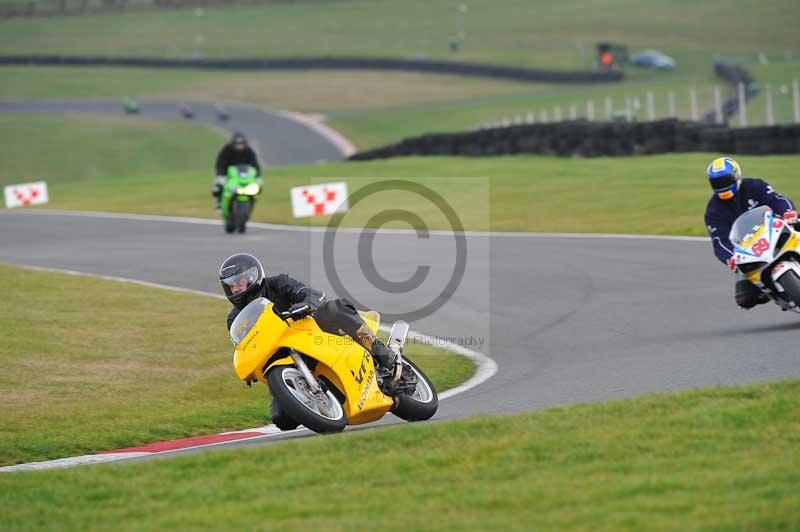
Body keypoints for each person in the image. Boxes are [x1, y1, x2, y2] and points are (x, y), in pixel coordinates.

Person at [219, 253, 402, 392]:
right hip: (283, 352)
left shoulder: (279, 283)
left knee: (334, 309)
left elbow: (308, 293)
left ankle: (384, 354)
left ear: (252, 277)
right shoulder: (234, 319)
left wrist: (305, 305)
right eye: (231, 285)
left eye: (239, 283)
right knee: (281, 418)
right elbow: (244, 345)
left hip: (312, 330)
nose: (236, 289)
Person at [704, 156, 797, 309]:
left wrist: (788, 212)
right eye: (717, 183)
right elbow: (719, 240)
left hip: (775, 229)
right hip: (748, 250)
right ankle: (775, 292)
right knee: (745, 298)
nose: (722, 186)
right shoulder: (713, 210)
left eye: (725, 180)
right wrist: (730, 258)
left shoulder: (755, 186)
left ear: (736, 175)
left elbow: (777, 199)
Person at [212, 132, 261, 210]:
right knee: (218, 187)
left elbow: (255, 164)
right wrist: (220, 174)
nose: (239, 146)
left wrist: (258, 176)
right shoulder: (226, 150)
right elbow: (220, 163)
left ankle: (251, 201)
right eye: (237, 144)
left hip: (244, 175)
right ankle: (219, 202)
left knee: (257, 186)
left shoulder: (249, 151)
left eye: (241, 144)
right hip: (228, 174)